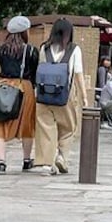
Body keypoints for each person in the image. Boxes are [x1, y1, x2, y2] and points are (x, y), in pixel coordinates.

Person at [0, 16, 39, 174]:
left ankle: (2, 162)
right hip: (24, 87)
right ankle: (26, 160)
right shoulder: (31, 51)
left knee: (0, 124)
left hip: (4, 85)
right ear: (24, 32)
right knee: (27, 125)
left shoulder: (1, 50)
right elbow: (34, 72)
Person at [34, 19, 88, 174]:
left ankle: (46, 162)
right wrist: (84, 97)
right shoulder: (73, 49)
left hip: (43, 95)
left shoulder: (44, 48)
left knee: (45, 128)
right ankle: (61, 157)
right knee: (68, 128)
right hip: (65, 95)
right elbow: (78, 74)